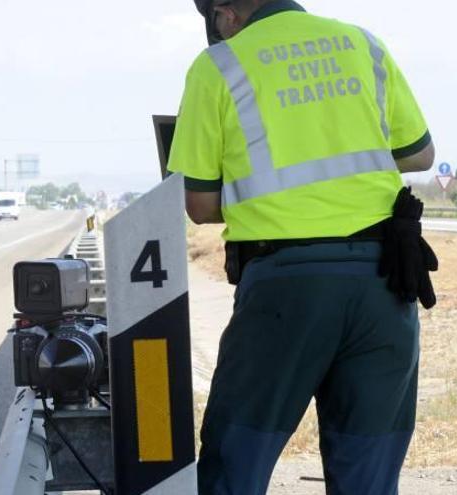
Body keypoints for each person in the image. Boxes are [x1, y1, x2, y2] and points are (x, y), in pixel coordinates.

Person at [166, 1, 437, 494]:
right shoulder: (363, 43)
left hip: (285, 289)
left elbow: (201, 205)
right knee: (369, 476)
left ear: (225, 15)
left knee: (235, 464)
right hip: (384, 282)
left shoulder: (219, 65)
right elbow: (419, 153)